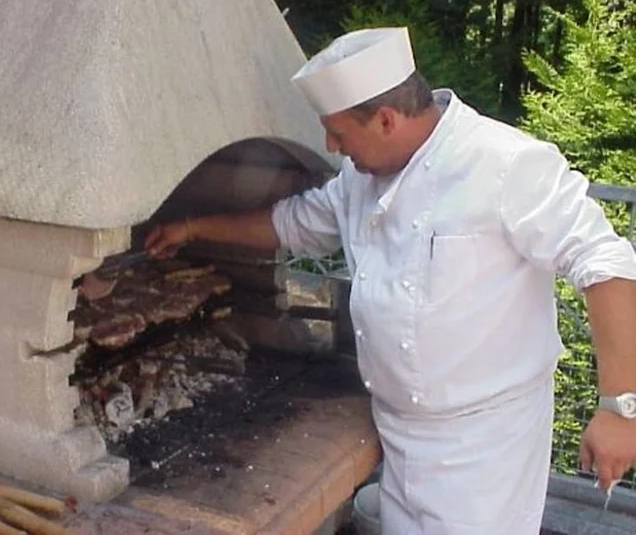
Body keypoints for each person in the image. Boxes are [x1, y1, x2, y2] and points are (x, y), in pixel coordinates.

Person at [144, 27, 636, 534]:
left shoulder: (504, 163)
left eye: (337, 133)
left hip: (486, 447)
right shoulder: (359, 180)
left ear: (385, 119)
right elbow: (290, 223)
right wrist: (192, 228)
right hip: (399, 434)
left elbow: (607, 262)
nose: (330, 146)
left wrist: (619, 409)